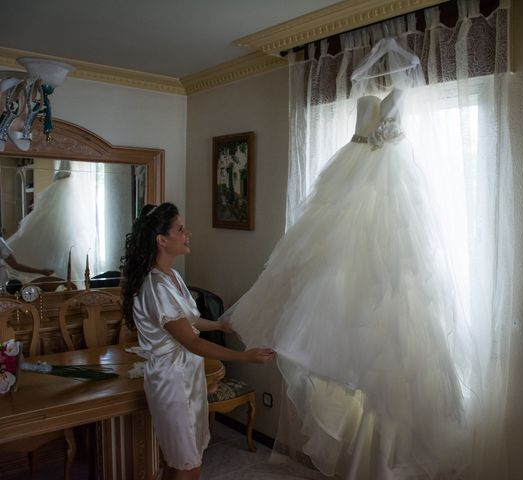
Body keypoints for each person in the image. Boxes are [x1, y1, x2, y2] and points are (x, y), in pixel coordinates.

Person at [225, 38, 475, 480]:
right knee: (331, 279)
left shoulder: (406, 86)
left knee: (390, 286)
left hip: (392, 187)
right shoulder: (362, 85)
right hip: (352, 183)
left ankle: (379, 460)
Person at [120, 202, 275, 480]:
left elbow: (188, 320)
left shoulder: (172, 277)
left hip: (187, 375)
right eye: (180, 229)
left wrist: (220, 325)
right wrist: (245, 357)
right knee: (188, 464)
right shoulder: (156, 288)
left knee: (181, 459)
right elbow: (192, 341)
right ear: (162, 240)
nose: (188, 232)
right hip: (172, 380)